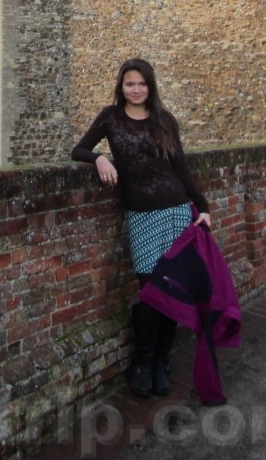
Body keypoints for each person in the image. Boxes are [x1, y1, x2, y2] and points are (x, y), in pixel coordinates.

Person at [71, 58, 210, 398]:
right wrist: (101, 158)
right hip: (142, 215)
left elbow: (182, 168)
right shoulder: (111, 118)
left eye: (141, 84)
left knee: (172, 289)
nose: (136, 89)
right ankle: (143, 361)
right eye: (130, 84)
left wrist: (202, 208)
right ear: (121, 87)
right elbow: (78, 149)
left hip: (176, 210)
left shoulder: (164, 121)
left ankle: (161, 362)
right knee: (149, 292)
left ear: (151, 87)